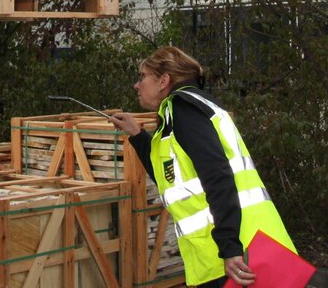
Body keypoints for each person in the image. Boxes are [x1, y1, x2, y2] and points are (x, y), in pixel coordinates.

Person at [109, 46, 296, 288]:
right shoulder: (187, 110)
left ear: (163, 80)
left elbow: (217, 176)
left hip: (239, 255)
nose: (137, 85)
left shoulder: (184, 109)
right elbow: (172, 180)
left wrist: (230, 248)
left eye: (142, 76)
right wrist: (136, 135)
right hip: (235, 252)